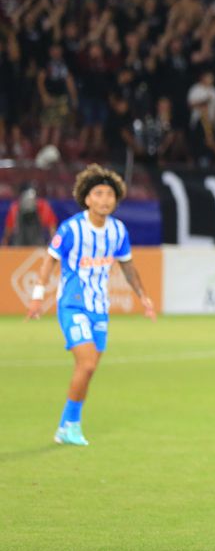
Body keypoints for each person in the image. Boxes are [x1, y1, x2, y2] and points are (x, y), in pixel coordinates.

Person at [25, 164, 156, 446]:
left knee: (91, 368)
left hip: (100, 307)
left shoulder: (118, 231)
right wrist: (38, 295)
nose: (105, 199)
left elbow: (128, 267)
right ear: (87, 198)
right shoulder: (72, 229)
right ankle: (70, 425)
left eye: (109, 194)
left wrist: (143, 296)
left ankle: (66, 426)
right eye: (98, 193)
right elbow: (50, 259)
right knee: (85, 364)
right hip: (73, 305)